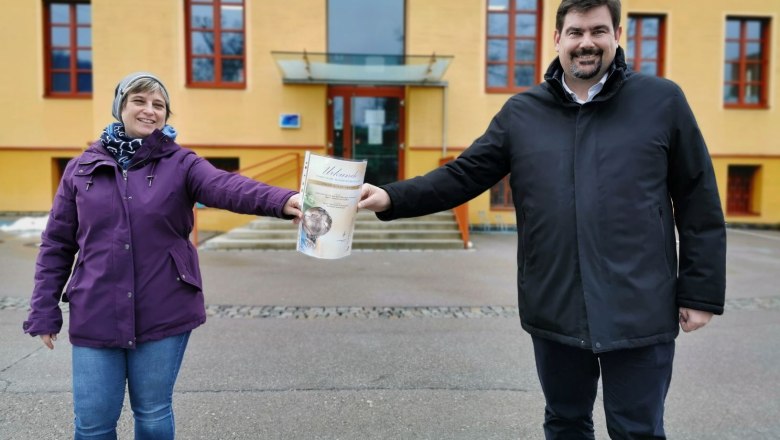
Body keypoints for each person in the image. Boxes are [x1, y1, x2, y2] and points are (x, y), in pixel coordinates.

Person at [358, 0, 726, 438]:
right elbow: (463, 175)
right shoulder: (522, 113)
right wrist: (390, 196)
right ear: (557, 39)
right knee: (565, 423)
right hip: (556, 306)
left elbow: (698, 198)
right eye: (575, 32)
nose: (586, 43)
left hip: (639, 307)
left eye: (598, 31)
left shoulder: (661, 101)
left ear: (617, 35)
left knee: (638, 430)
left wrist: (700, 292)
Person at [22, 71, 302, 439]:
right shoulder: (81, 169)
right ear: (120, 107)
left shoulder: (181, 163)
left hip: (164, 306)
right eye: (139, 101)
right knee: (92, 424)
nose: (149, 111)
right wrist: (43, 309)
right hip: (96, 310)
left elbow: (227, 186)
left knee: (153, 414)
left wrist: (284, 200)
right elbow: (57, 244)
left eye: (159, 105)